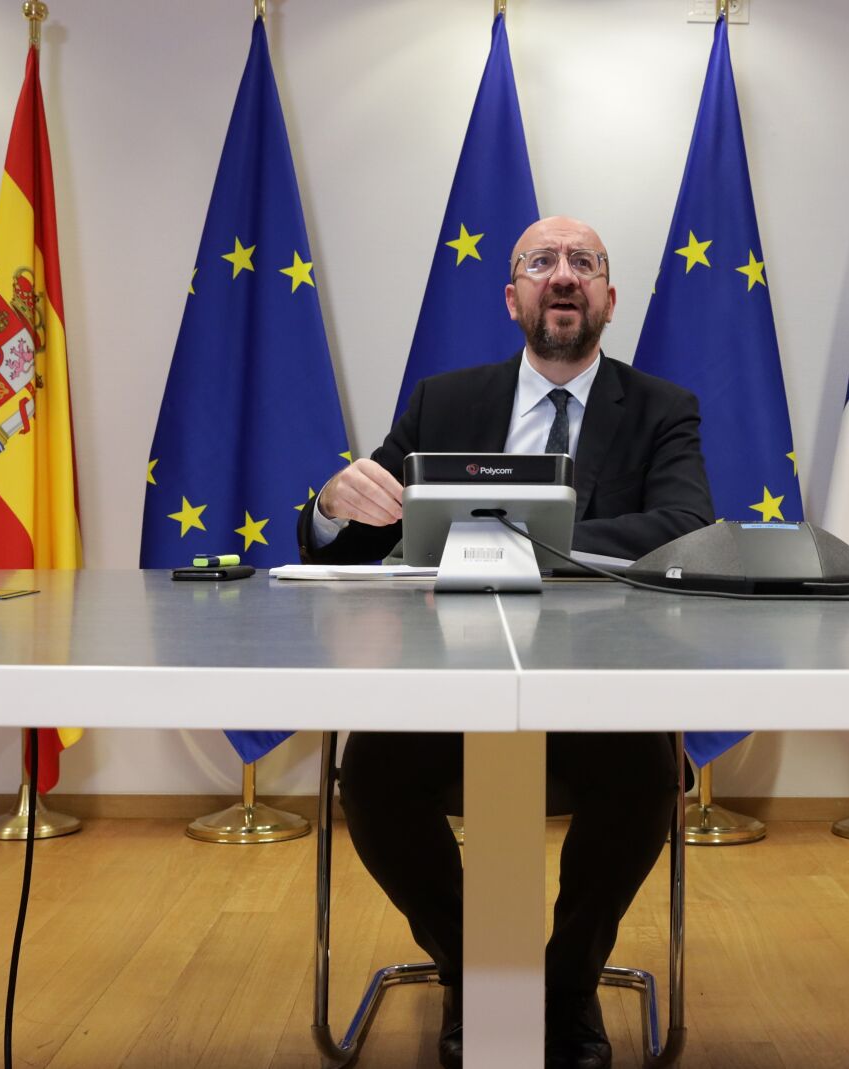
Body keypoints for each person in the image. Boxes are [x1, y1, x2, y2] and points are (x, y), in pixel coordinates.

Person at [297, 217, 712, 1069]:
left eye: (583, 263)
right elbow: (360, 535)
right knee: (370, 777)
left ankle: (566, 986)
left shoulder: (662, 408)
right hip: (451, 685)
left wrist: (517, 538)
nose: (563, 275)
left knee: (648, 774)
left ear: (609, 298)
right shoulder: (444, 402)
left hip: (597, 690)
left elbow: (683, 527)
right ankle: (476, 972)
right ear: (512, 296)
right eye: (540, 262)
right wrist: (333, 506)